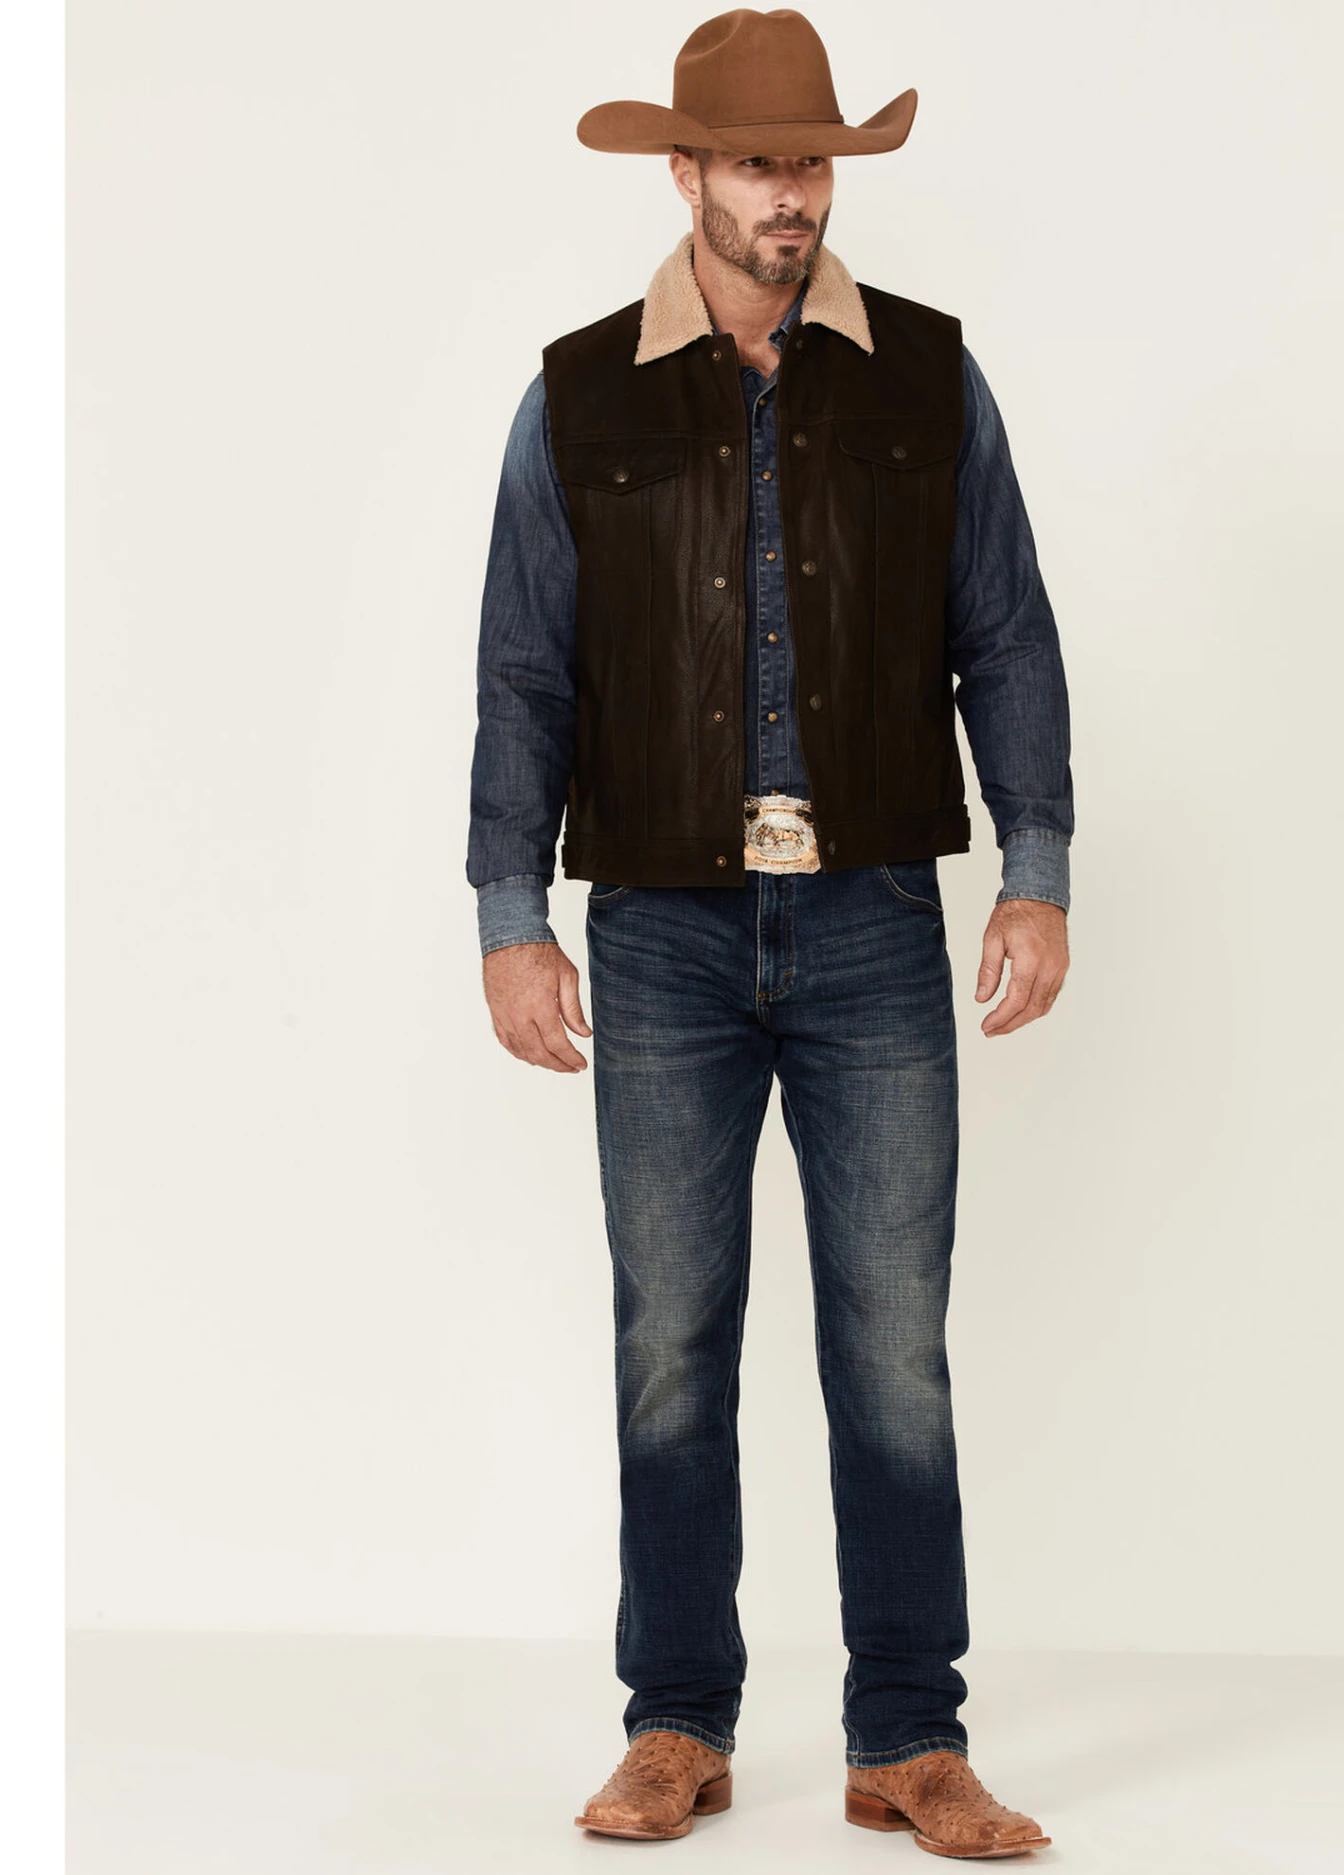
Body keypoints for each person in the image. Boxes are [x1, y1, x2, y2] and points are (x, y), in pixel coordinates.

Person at [467, 8, 1070, 1857]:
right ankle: (676, 1722)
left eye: (811, 162)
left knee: (895, 1343)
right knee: (672, 1337)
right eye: (756, 163)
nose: (790, 194)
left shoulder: (931, 379)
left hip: (875, 917)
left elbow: (1006, 629)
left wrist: (1036, 863)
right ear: (687, 175)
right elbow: (525, 669)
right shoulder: (578, 394)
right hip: (658, 929)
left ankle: (911, 1736)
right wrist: (511, 908)